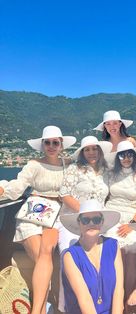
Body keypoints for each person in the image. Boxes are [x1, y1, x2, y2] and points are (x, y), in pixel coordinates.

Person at [0, 125, 76, 314]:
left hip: (56, 214)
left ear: (61, 145)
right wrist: (3, 189)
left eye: (55, 143)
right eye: (47, 142)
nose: (51, 146)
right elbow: (18, 186)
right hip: (33, 212)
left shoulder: (69, 165)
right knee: (42, 258)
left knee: (46, 254)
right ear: (42, 145)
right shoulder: (34, 164)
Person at [58, 135, 112, 311]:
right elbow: (65, 195)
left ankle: (102, 302)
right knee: (68, 252)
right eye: (87, 149)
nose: (91, 152)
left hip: (97, 222)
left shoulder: (107, 171)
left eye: (94, 148)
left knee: (105, 257)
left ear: (100, 151)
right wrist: (83, 215)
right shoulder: (74, 169)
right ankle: (69, 306)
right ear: (82, 153)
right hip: (74, 220)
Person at [105, 140, 136, 310]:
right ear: (117, 157)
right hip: (112, 215)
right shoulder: (110, 174)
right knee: (115, 254)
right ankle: (114, 298)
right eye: (122, 155)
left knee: (131, 255)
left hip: (133, 217)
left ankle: (126, 301)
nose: (126, 158)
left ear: (134, 156)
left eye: (130, 154)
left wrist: (131, 224)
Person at [60, 199, 124, 314]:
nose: (91, 224)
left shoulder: (113, 246)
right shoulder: (70, 256)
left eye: (96, 219)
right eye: (85, 220)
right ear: (79, 222)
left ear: (102, 222)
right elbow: (84, 300)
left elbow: (118, 291)